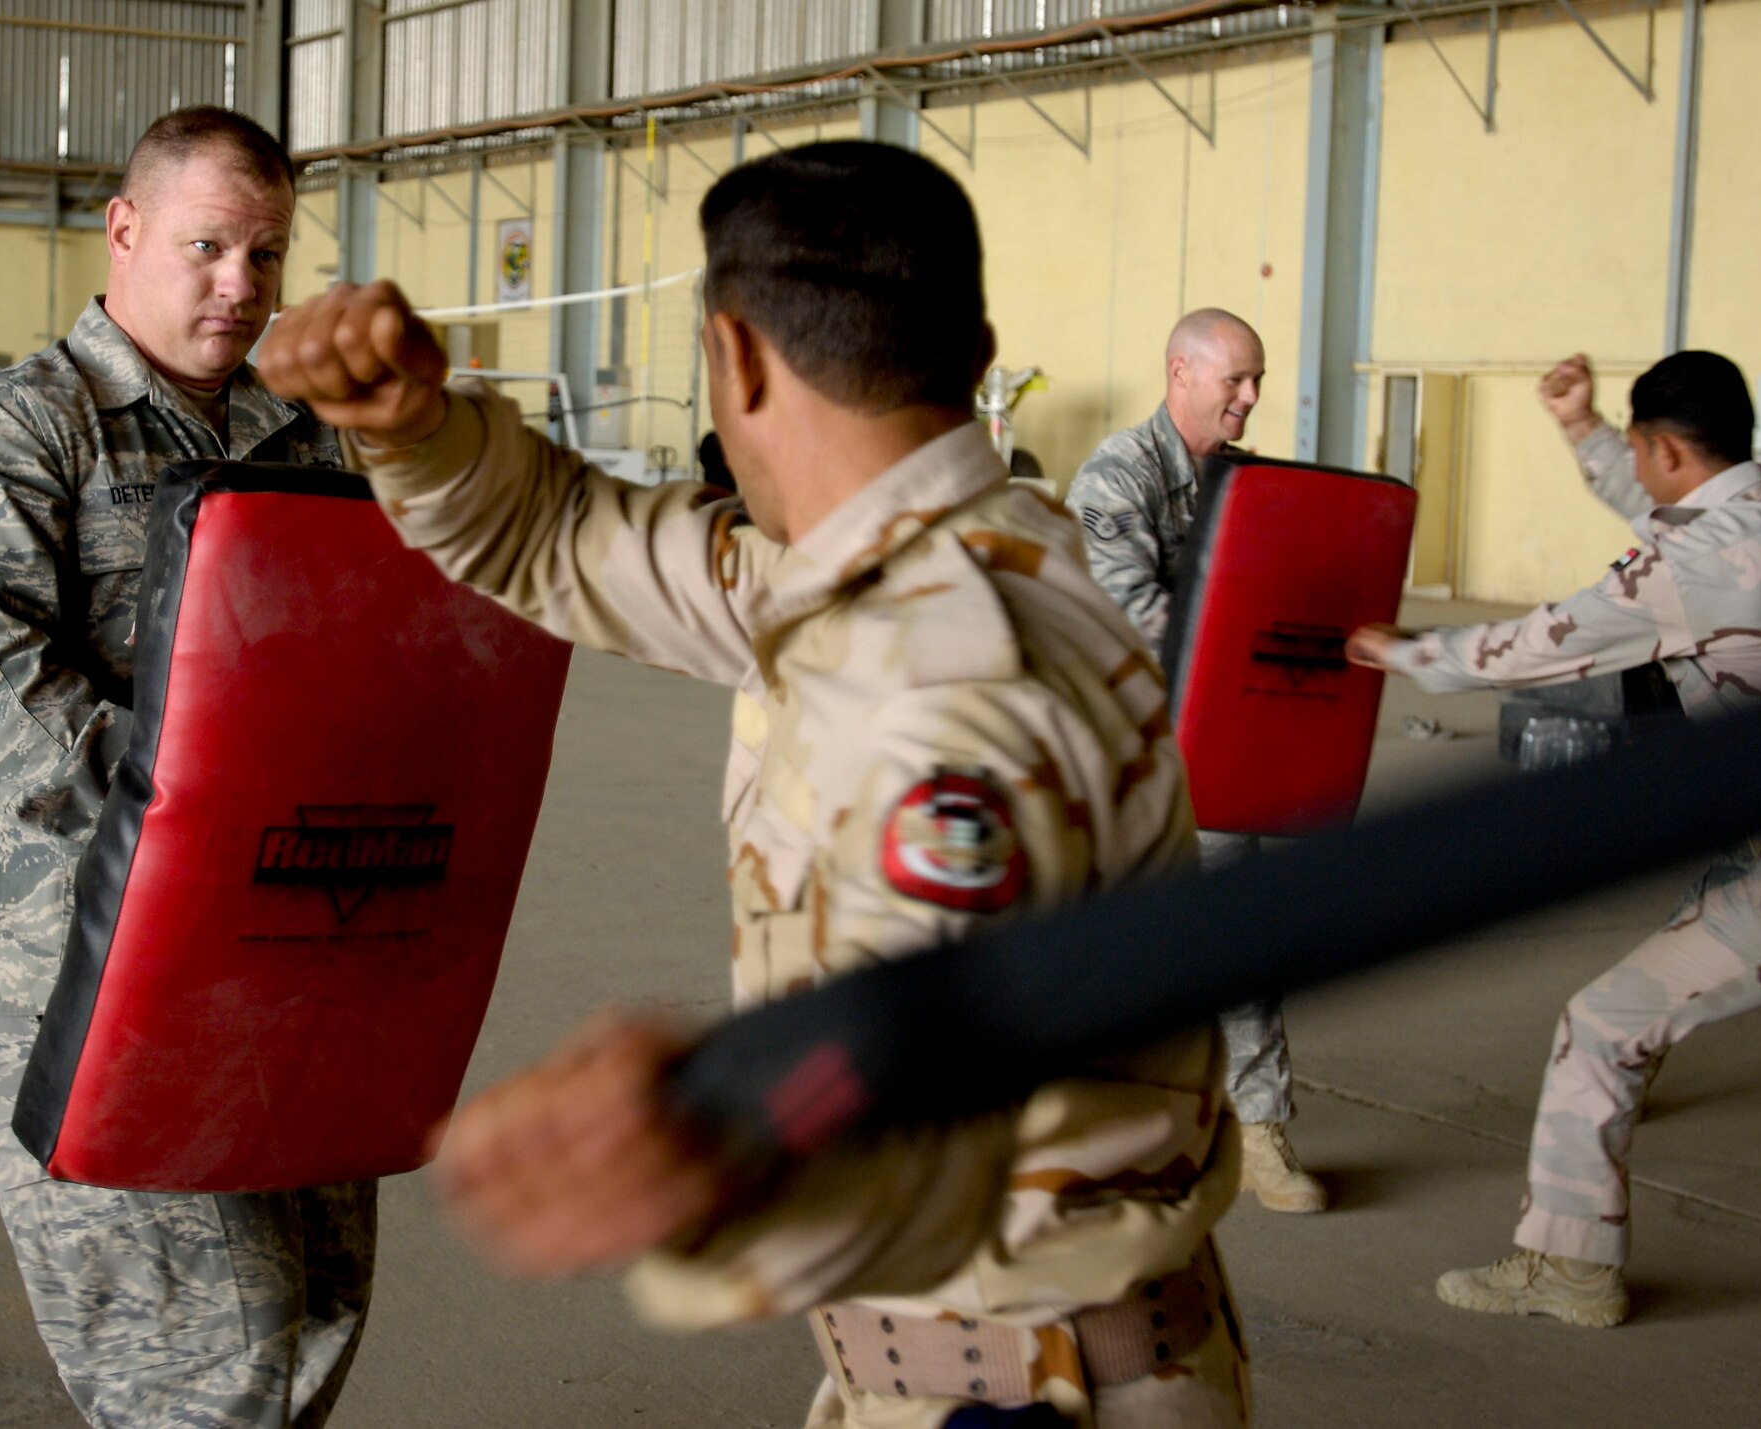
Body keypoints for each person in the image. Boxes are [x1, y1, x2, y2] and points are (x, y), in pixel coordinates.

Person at [261, 141, 1248, 1428]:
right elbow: (566, 538)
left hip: (1024, 1394)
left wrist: (707, 1125)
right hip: (988, 1364)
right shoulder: (929, 564)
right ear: (976, 347)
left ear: (730, 358)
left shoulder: (937, 681)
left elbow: (919, 1098)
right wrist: (412, 428)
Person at [0, 108, 375, 1426]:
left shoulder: (303, 440)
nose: (241, 284)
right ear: (126, 229)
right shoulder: (15, 433)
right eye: (210, 245)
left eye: (267, 255)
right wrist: (200, 812)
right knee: (195, 1384)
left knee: (306, 1339)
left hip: (281, 976)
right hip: (86, 987)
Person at [1348, 349, 1761, 1327]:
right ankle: (1569, 1265)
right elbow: (1663, 524)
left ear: (1664, 447)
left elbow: (1553, 637)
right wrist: (1580, 430)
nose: (1631, 469)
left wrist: (1406, 652)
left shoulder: (1696, 562)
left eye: (1633, 451)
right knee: (1601, 1022)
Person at [1064, 309, 1327, 1215]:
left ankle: (1258, 1134)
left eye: (1257, 380)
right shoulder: (1117, 476)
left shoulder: (1244, 482)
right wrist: (1257, 632)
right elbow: (1130, 615)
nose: (1252, 398)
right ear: (1181, 371)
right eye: (1236, 381)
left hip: (1213, 750)